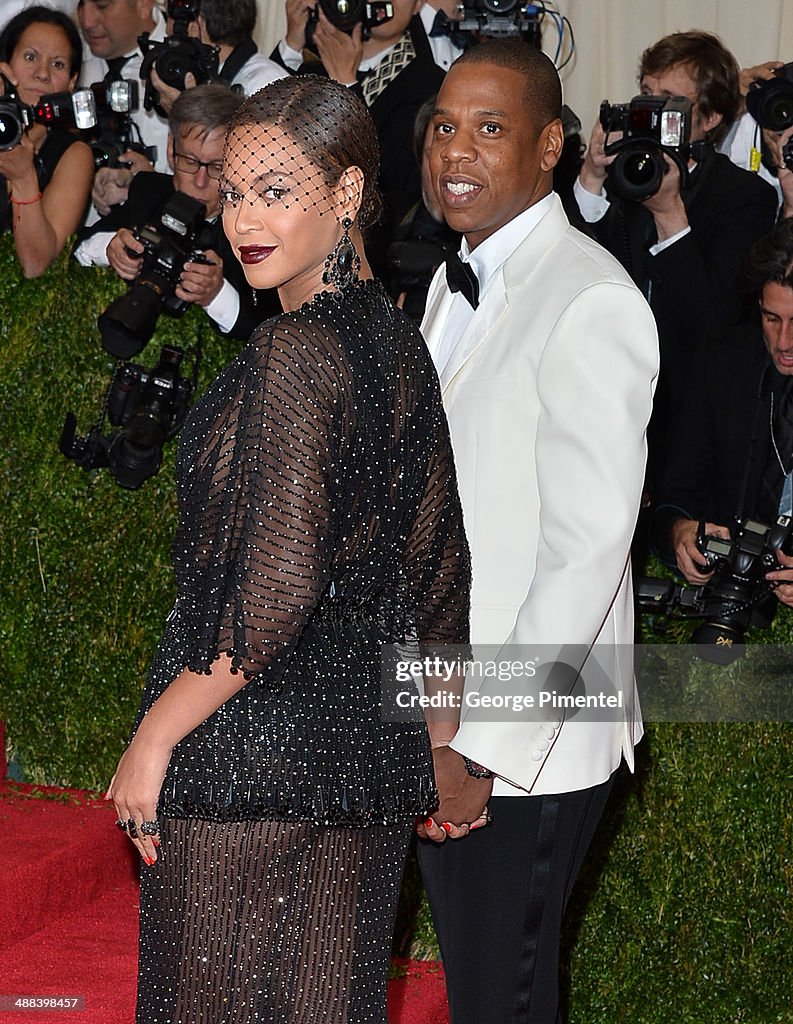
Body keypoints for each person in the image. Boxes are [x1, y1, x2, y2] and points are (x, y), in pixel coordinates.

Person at [106, 73, 470, 1023]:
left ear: (346, 193)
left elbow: (272, 594)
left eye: (275, 191)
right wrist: (437, 741)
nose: (242, 219)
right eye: (232, 191)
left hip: (245, 765)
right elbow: (438, 566)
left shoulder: (294, 353)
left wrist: (152, 738)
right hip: (365, 767)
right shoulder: (398, 342)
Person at [414, 40, 659, 1024]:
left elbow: (584, 555)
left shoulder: (590, 297)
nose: (455, 152)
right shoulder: (449, 287)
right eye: (442, 126)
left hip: (529, 735)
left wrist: (482, 748)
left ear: (551, 145)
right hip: (439, 697)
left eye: (489, 128)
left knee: (500, 1003)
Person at [574, 30, 777, 481]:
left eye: (668, 100)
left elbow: (717, 322)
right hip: (600, 396)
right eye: (645, 95)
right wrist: (590, 173)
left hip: (687, 411)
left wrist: (669, 215)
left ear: (709, 118)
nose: (649, 111)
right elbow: (569, 260)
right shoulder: (622, 173)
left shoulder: (745, 197)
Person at [652, 217, 793, 608]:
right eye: (772, 318)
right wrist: (679, 532)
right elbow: (672, 498)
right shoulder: (722, 366)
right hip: (723, 602)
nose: (784, 342)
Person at [74, 84, 272, 340]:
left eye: (216, 167)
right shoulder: (148, 190)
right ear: (170, 150)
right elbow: (78, 249)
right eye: (190, 162)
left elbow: (270, 326)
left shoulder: (255, 228)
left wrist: (217, 294)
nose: (200, 181)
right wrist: (110, 248)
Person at [273, 0, 445, 213]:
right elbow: (266, 124)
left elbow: (392, 177)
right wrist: (292, 44)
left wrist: (346, 83)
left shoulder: (431, 83)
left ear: (418, 4)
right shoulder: (315, 63)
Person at [0, 6, 94, 278]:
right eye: (30, 57)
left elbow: (36, 265)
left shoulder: (73, 154)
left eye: (57, 64)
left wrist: (23, 178)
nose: (42, 74)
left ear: (72, 81)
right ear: (6, 64)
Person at [77, 0, 171, 216]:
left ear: (144, 4)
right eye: (81, 3)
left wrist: (154, 185)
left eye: (102, 6)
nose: (87, 21)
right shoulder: (66, 57)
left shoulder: (184, 63)